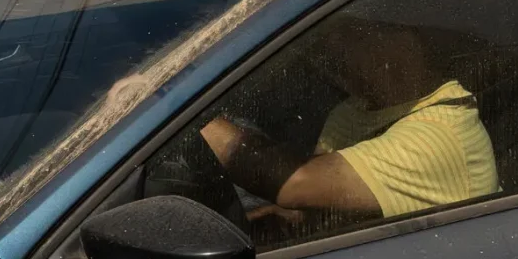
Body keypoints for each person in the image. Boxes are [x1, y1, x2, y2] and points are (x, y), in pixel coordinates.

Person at [200, 16, 498, 230]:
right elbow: (320, 205)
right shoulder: (355, 110)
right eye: (326, 46)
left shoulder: (436, 136)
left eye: (351, 38)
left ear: (406, 41)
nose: (331, 57)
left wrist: (194, 116)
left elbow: (297, 183)